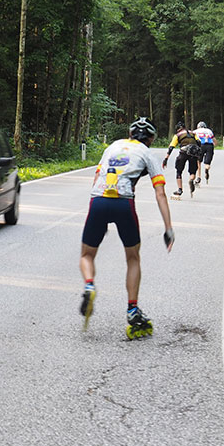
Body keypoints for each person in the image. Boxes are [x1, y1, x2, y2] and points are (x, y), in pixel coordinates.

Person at [79, 117, 175, 339]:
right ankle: (132, 309)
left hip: (99, 200)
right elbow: (160, 192)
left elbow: (96, 179)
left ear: (130, 134)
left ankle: (90, 286)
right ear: (150, 139)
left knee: (87, 254)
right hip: (124, 203)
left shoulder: (112, 146)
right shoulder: (147, 153)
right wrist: (168, 227)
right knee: (132, 258)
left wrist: (97, 217)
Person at [162, 121, 202, 198]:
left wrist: (166, 159)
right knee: (193, 171)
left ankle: (180, 190)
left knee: (179, 171)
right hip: (193, 152)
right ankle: (191, 179)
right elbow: (199, 142)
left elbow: (171, 147)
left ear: (177, 129)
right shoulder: (192, 133)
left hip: (183, 152)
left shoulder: (177, 135)